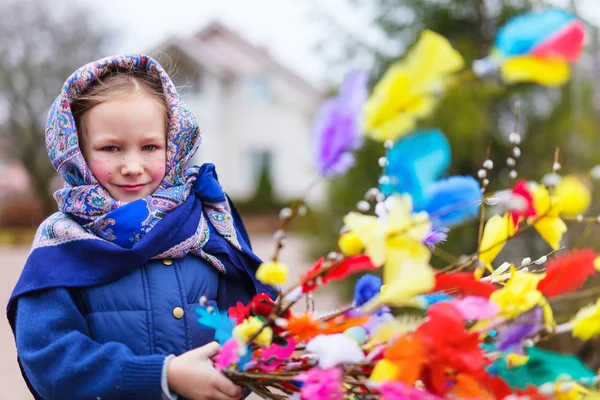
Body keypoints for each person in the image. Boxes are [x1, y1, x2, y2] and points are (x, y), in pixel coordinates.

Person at [6, 54, 275, 400]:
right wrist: (164, 376)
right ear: (77, 153)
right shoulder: (61, 244)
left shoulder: (204, 224)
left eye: (150, 147)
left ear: (172, 146)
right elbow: (50, 362)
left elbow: (251, 324)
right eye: (111, 148)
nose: (132, 166)